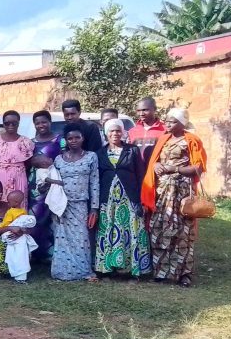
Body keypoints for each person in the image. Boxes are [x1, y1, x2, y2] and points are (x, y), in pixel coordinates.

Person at [141, 107, 207, 287]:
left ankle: (183, 274)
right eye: (167, 121)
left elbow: (198, 168)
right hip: (162, 193)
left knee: (183, 232)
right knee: (159, 229)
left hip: (181, 193)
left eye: (172, 121)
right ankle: (161, 272)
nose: (168, 124)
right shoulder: (163, 139)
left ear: (182, 123)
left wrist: (175, 169)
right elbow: (155, 161)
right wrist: (156, 166)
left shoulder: (191, 141)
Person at [94, 118, 151, 278]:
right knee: (109, 231)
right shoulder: (100, 153)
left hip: (129, 199)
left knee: (131, 230)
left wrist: (142, 200)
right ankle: (108, 268)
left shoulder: (132, 150)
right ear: (106, 133)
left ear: (123, 132)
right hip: (108, 201)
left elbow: (141, 176)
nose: (115, 133)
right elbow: (96, 178)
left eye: (118, 130)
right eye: (111, 131)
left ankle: (132, 269)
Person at [42, 123, 99, 281]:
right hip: (61, 205)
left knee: (81, 239)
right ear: (65, 140)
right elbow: (52, 178)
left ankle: (82, 271)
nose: (73, 141)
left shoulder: (91, 157)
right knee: (61, 238)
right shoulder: (59, 159)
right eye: (70, 138)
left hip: (80, 204)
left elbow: (94, 183)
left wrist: (94, 208)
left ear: (83, 139)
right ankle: (61, 272)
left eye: (77, 137)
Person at [28, 109, 63, 261]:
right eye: (37, 123)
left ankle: (52, 256)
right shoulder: (30, 143)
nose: (41, 125)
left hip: (56, 184)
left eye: (44, 122)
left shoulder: (60, 140)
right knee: (34, 219)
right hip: (35, 188)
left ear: (50, 123)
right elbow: (26, 163)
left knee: (54, 220)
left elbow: (67, 159)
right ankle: (35, 254)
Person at [0, 110, 35, 199]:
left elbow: (28, 164)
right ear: (3, 124)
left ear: (18, 123)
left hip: (18, 179)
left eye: (14, 123)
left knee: (18, 206)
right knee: (0, 206)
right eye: (7, 123)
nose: (10, 126)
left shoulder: (25, 142)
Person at [128, 96, 166, 166]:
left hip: (156, 171)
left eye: (145, 110)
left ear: (154, 109)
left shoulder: (164, 130)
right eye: (138, 111)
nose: (141, 114)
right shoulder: (132, 131)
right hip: (137, 172)